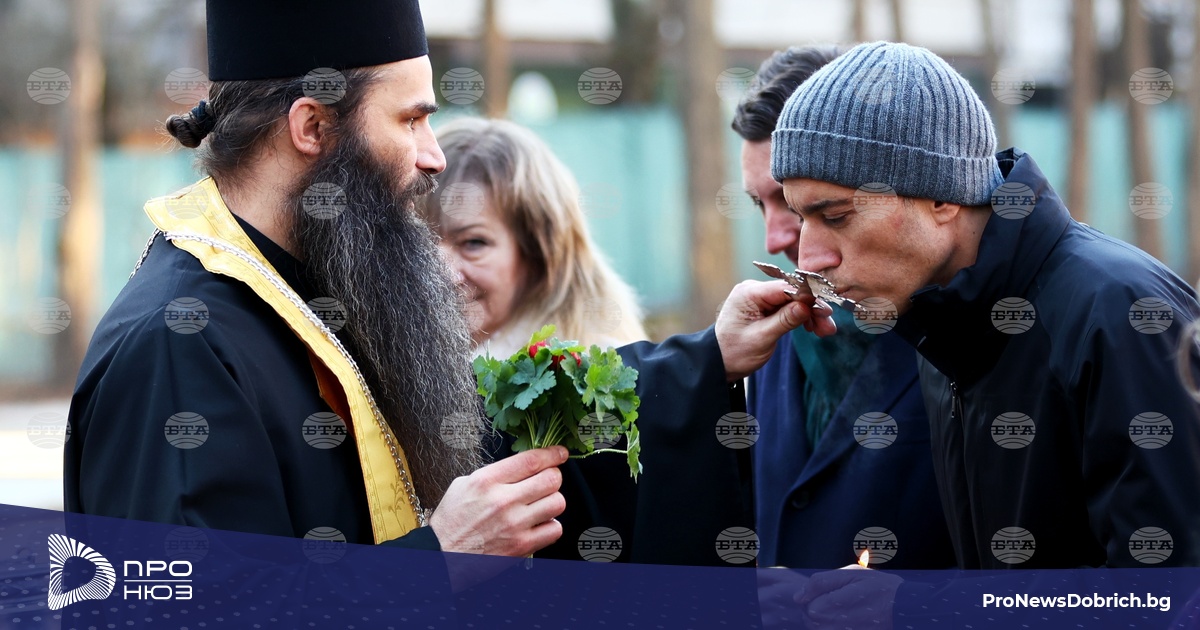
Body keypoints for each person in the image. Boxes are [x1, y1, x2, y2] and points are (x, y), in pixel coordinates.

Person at [64, 0, 828, 562]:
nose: (433, 156)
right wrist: (441, 561)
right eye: (410, 120)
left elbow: (478, 429)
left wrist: (704, 361)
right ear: (312, 127)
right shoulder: (178, 345)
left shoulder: (309, 293)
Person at [771, 41, 1200, 569]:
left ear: (941, 196)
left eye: (835, 216)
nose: (809, 257)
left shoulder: (1124, 315)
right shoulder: (942, 328)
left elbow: (1168, 597)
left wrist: (914, 607)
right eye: (801, 218)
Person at [733, 46, 955, 569]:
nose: (774, 239)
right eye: (759, 203)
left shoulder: (959, 342)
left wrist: (908, 605)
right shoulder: (769, 339)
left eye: (796, 204)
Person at [417, 116, 647, 356]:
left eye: (473, 243)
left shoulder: (593, 368)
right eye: (420, 241)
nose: (442, 274)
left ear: (539, 255)